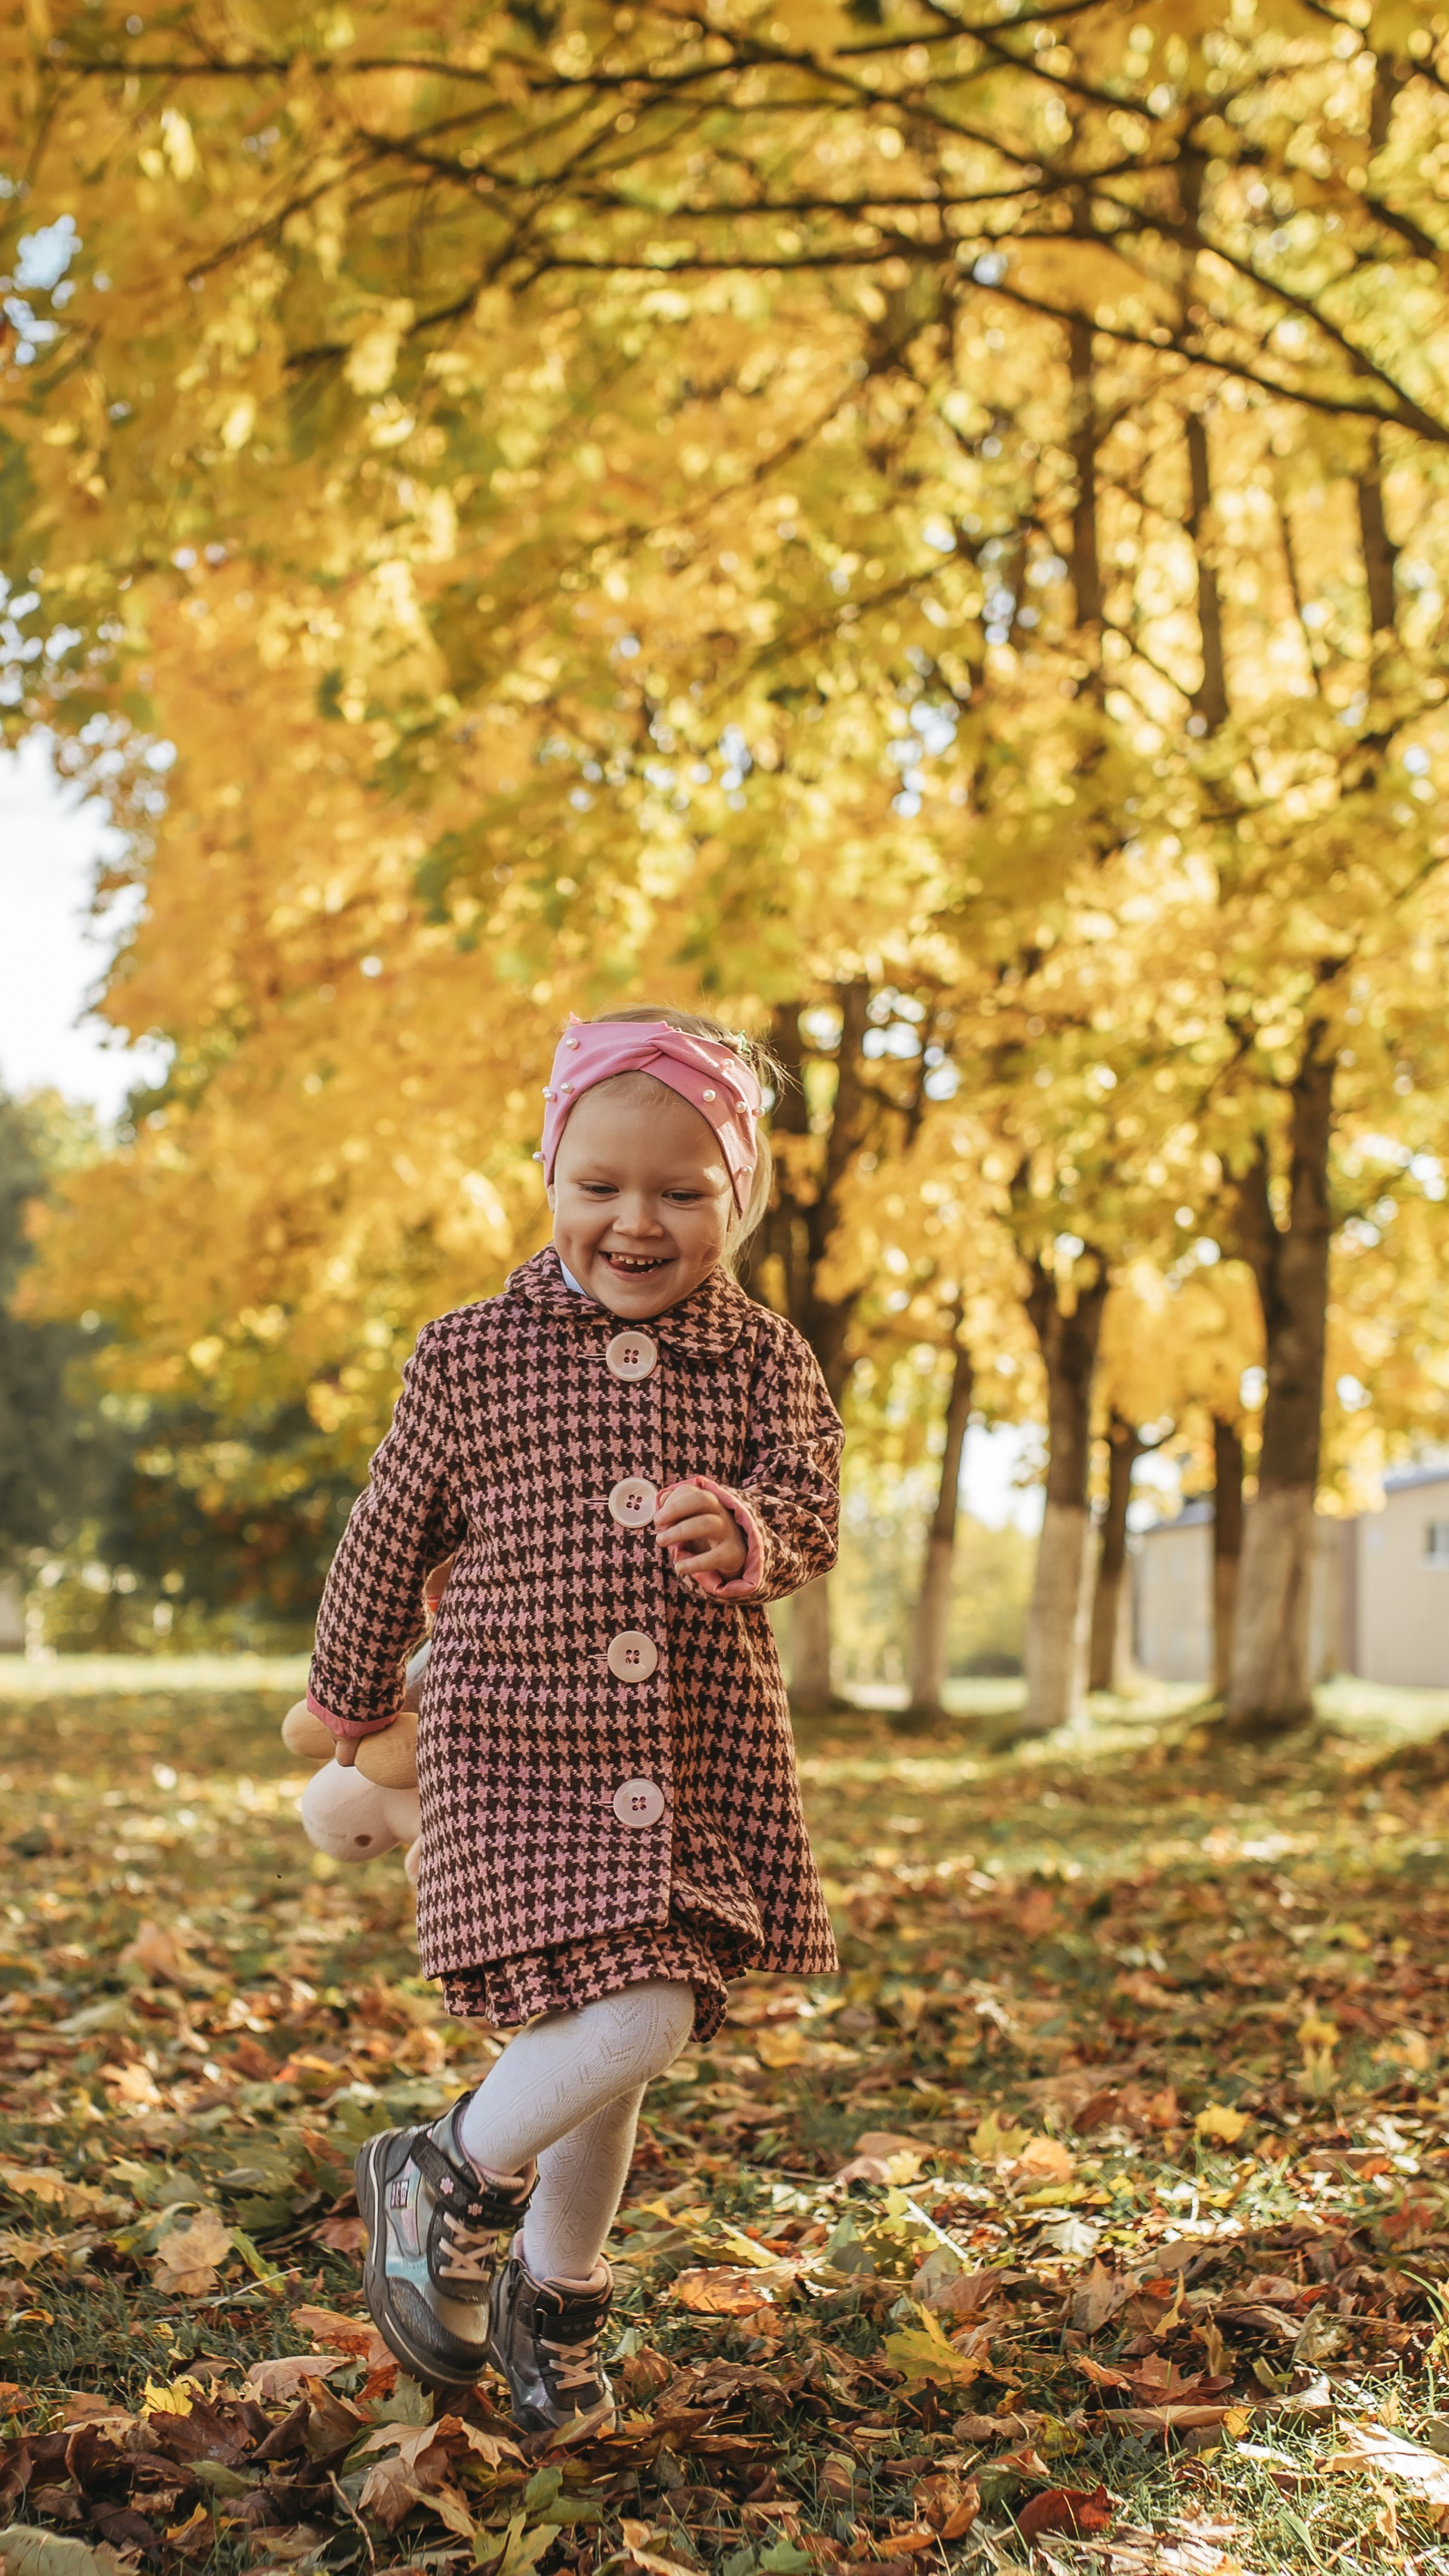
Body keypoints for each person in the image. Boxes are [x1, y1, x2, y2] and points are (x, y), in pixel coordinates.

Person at [306, 1005, 842, 2433]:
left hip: (685, 1759)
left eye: (680, 1190)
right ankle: (443, 2174)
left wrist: (750, 1535)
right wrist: (347, 1701)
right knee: (640, 2012)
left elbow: (808, 1506)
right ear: (548, 1175)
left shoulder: (763, 1359)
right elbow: (383, 1535)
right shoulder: (470, 1354)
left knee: (615, 2042)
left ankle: (556, 2294)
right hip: (514, 1750)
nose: (635, 1220)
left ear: (740, 1194)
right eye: (598, 1185)